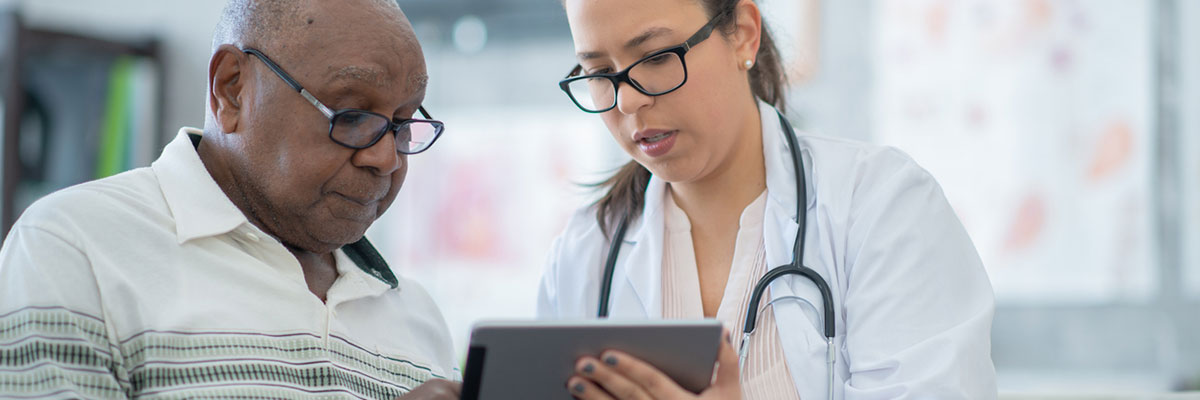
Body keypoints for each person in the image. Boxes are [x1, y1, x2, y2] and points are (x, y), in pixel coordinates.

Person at [537, 0, 997, 399]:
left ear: (743, 35)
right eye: (600, 73)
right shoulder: (584, 254)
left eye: (656, 57)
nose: (627, 103)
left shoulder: (883, 207)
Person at [0, 0, 460, 398]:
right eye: (353, 115)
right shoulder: (76, 249)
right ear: (232, 89)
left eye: (402, 123)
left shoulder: (418, 316)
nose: (386, 159)